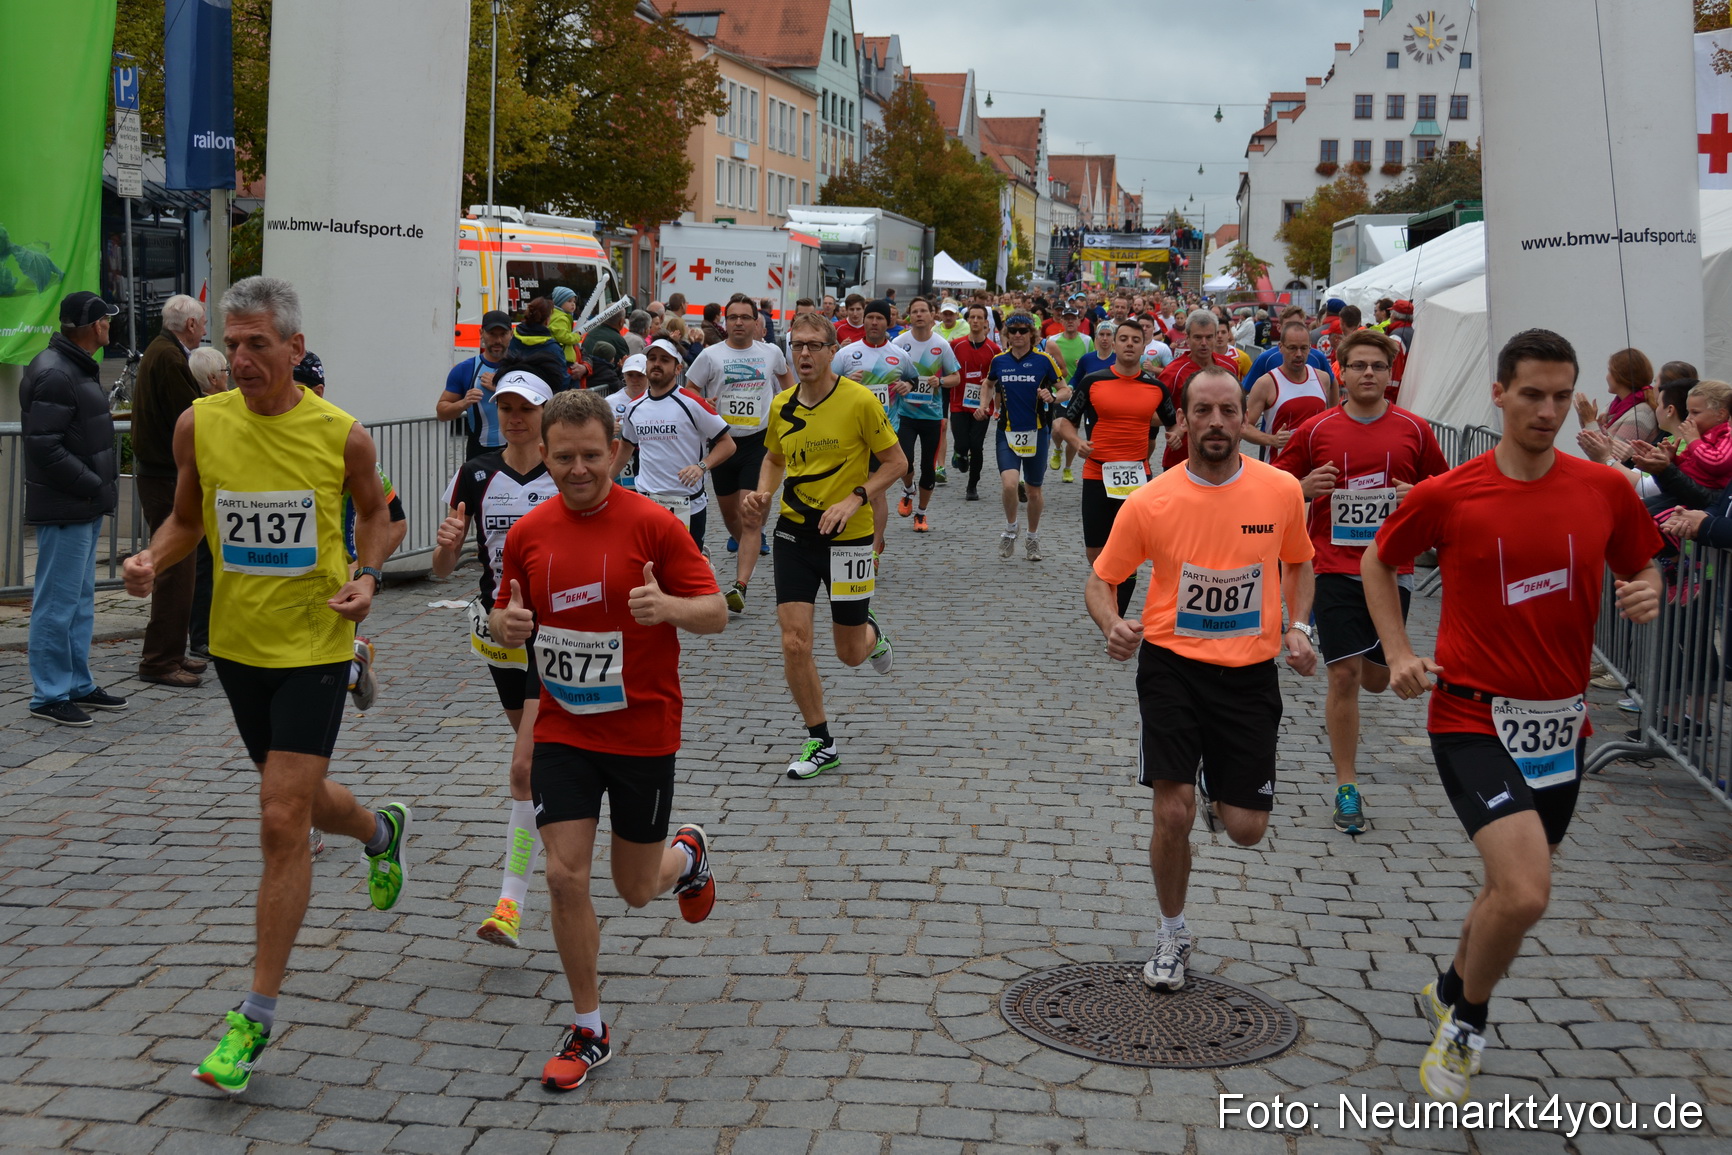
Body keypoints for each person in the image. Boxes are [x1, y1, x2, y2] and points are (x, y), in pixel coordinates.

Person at [121, 276, 408, 1095]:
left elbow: (379, 515)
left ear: (293, 347)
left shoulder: (342, 435)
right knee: (305, 799)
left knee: (281, 815)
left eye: (256, 345)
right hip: (239, 647)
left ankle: (252, 1019)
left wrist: (369, 575)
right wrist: (151, 558)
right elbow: (186, 519)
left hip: (317, 641)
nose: (239, 360)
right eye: (231, 344)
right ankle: (382, 831)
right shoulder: (198, 425)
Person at [1362, 328, 1662, 1103]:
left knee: (1507, 885)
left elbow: (1640, 562)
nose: (1548, 410)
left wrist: (1646, 590)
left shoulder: (1603, 488)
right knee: (1527, 892)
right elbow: (1379, 559)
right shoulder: (1450, 492)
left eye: (1562, 396)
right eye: (1532, 393)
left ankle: (1450, 984)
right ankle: (1466, 1020)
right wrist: (1397, 650)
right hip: (1470, 715)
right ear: (1497, 393)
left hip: (1560, 724)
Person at [488, 387, 724, 1091]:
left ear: (617, 452)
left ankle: (686, 856)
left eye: (592, 454)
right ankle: (588, 1026)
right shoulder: (529, 533)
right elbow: (507, 611)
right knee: (563, 875)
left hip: (643, 729)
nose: (579, 468)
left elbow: (712, 610)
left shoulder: (653, 525)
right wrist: (503, 627)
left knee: (633, 889)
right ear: (546, 456)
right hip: (565, 727)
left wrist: (668, 607)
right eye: (565, 457)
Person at [1086, 366, 1316, 993]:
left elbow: (1298, 563)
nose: (1216, 423)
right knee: (1173, 812)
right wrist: (1111, 622)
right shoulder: (1151, 500)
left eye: (1229, 411)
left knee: (1247, 830)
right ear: (1183, 421)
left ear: (1246, 419)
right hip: (1172, 669)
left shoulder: (1280, 491)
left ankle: (1218, 782)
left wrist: (1299, 626)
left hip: (1249, 675)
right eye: (1203, 412)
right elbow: (1102, 578)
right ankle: (1171, 931)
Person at [1273, 329, 1449, 835]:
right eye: (1359, 366)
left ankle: (1383, 663)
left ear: (1391, 374)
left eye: (1377, 365)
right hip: (1332, 567)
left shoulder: (1414, 430)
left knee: (1377, 677)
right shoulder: (1316, 428)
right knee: (1345, 675)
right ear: (1342, 373)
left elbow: (1443, 490)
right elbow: (1277, 485)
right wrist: (1303, 488)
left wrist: (1416, 494)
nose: (1369, 373)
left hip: (1394, 570)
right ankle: (1346, 786)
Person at [742, 312, 907, 780]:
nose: (805, 354)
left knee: (849, 653)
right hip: (795, 532)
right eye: (798, 346)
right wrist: (764, 492)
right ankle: (821, 740)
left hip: (848, 538)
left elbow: (896, 463)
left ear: (834, 350)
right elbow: (774, 458)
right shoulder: (782, 405)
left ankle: (870, 636)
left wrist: (856, 499)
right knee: (794, 641)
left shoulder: (858, 402)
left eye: (815, 345)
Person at [430, 371, 558, 948]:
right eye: (505, 407)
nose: (513, 417)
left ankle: (510, 902)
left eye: (524, 408)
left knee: (523, 767)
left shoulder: (566, 469)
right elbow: (440, 570)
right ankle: (562, 826)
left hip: (557, 631)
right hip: (498, 631)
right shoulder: (476, 473)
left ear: (543, 413)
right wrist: (447, 547)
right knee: (541, 755)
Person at [22, 291, 128, 727]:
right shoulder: (55, 372)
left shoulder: (72, 366)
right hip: (68, 504)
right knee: (57, 603)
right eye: (106, 320)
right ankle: (48, 694)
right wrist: (91, 484)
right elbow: (44, 445)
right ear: (92, 326)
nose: (110, 326)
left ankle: (77, 682)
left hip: (80, 503)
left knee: (79, 601)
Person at [1052, 319, 1176, 615]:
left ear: (1145, 346)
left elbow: (1173, 423)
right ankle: (1107, 593)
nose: (1130, 344)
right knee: (1096, 553)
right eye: (1124, 339)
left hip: (1136, 478)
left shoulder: (1156, 387)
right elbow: (1066, 421)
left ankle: (1116, 614)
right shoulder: (1093, 381)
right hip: (1097, 472)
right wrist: (1077, 441)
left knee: (1130, 551)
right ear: (1113, 344)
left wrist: (1176, 435)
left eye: (1136, 339)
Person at [685, 292, 795, 610]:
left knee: (750, 516)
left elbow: (789, 388)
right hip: (722, 443)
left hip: (757, 443)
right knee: (732, 515)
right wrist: (705, 404)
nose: (738, 322)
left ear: (755, 322)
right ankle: (751, 539)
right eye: (733, 317)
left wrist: (788, 415)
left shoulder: (771, 352)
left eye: (745, 317)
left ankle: (739, 586)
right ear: (724, 321)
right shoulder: (710, 355)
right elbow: (691, 388)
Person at [131, 293, 209, 687]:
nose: (206, 328)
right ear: (191, 325)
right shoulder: (168, 356)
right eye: (203, 321)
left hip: (162, 471)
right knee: (175, 569)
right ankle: (160, 660)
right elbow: (192, 415)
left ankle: (172, 652)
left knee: (182, 569)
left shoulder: (162, 351)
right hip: (163, 474)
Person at [617, 339, 736, 550]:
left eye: (664, 360)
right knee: (649, 565)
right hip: (647, 503)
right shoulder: (634, 407)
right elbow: (626, 446)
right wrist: (605, 480)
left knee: (686, 572)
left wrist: (702, 466)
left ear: (677, 368)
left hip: (687, 504)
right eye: (652, 359)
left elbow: (728, 444)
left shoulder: (693, 403)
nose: (656, 364)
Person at [833, 300, 917, 558]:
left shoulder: (900, 355)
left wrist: (908, 387)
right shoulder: (846, 354)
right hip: (851, 433)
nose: (873, 322)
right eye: (870, 318)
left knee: (876, 492)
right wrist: (844, 381)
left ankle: (874, 549)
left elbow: (912, 378)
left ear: (887, 322)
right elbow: (826, 386)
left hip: (885, 432)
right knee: (850, 487)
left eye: (879, 318)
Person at [987, 312, 1068, 562]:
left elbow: (1065, 389)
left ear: (1032, 334)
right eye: (1013, 331)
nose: (1018, 335)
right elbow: (988, 384)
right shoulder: (999, 361)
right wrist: (985, 405)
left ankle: (1032, 537)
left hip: (1037, 433)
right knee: (1010, 484)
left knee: (1033, 491)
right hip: (1007, 433)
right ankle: (1011, 529)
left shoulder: (1044, 360)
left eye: (1023, 330)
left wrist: (1053, 398)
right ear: (1007, 335)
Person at [890, 297, 962, 532]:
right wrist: (899, 384)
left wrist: (939, 380)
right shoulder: (899, 342)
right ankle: (908, 489)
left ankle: (921, 513)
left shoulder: (941, 345)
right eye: (915, 311)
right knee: (905, 461)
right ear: (909, 316)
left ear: (933, 316)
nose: (919, 315)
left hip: (931, 415)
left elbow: (956, 378)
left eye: (924, 311)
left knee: (928, 467)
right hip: (906, 413)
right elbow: (889, 372)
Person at [1159, 311, 1245, 469]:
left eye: (1209, 337)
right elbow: (1154, 413)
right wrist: (1175, 427)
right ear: (1188, 337)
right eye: (1198, 337)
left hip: (1224, 458)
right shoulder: (1172, 373)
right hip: (1181, 460)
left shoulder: (1230, 366)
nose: (1204, 343)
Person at [1245, 321, 1334, 457]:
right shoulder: (1266, 383)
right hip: (1280, 470)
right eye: (1292, 348)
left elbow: (1327, 420)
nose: (1299, 354)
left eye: (1304, 348)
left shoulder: (1323, 378)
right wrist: (1272, 440)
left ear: (1310, 348)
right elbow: (1244, 427)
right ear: (1280, 347)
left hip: (1316, 466)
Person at [439, 310, 514, 459]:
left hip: (517, 450)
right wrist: (463, 403)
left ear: (511, 334)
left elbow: (541, 408)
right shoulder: (465, 369)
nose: (498, 340)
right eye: (492, 334)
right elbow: (442, 412)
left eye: (503, 334)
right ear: (481, 333)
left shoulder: (522, 367)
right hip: (479, 453)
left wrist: (500, 389)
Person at [949, 303, 1000, 501]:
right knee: (962, 443)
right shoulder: (956, 345)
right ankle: (959, 453)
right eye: (973, 317)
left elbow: (998, 378)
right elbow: (948, 370)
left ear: (986, 322)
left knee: (976, 446)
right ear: (968, 320)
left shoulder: (994, 349)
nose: (976, 321)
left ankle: (972, 486)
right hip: (959, 403)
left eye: (980, 318)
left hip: (983, 405)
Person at [1045, 306, 1094, 482]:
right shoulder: (1053, 340)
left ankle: (1067, 467)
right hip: (1059, 390)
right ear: (1062, 321)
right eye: (1066, 318)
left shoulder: (1087, 340)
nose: (1070, 321)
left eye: (1073, 318)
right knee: (1058, 427)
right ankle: (1057, 448)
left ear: (1079, 321)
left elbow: (1092, 364)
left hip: (1079, 392)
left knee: (1072, 430)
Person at [1574, 347, 1659, 445]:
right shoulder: (1612, 407)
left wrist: (1589, 422)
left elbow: (1611, 456)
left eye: (1610, 371)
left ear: (1621, 376)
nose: (1607, 376)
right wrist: (1591, 423)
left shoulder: (1642, 413)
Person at [511, 298, 575, 393]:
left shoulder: (514, 339)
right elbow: (562, 381)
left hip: (517, 394)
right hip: (545, 400)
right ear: (547, 321)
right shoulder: (553, 348)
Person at [549, 286, 584, 379]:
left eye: (574, 302)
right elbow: (563, 336)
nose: (573, 304)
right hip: (563, 358)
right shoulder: (561, 318)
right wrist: (577, 337)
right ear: (560, 302)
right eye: (569, 301)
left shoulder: (561, 315)